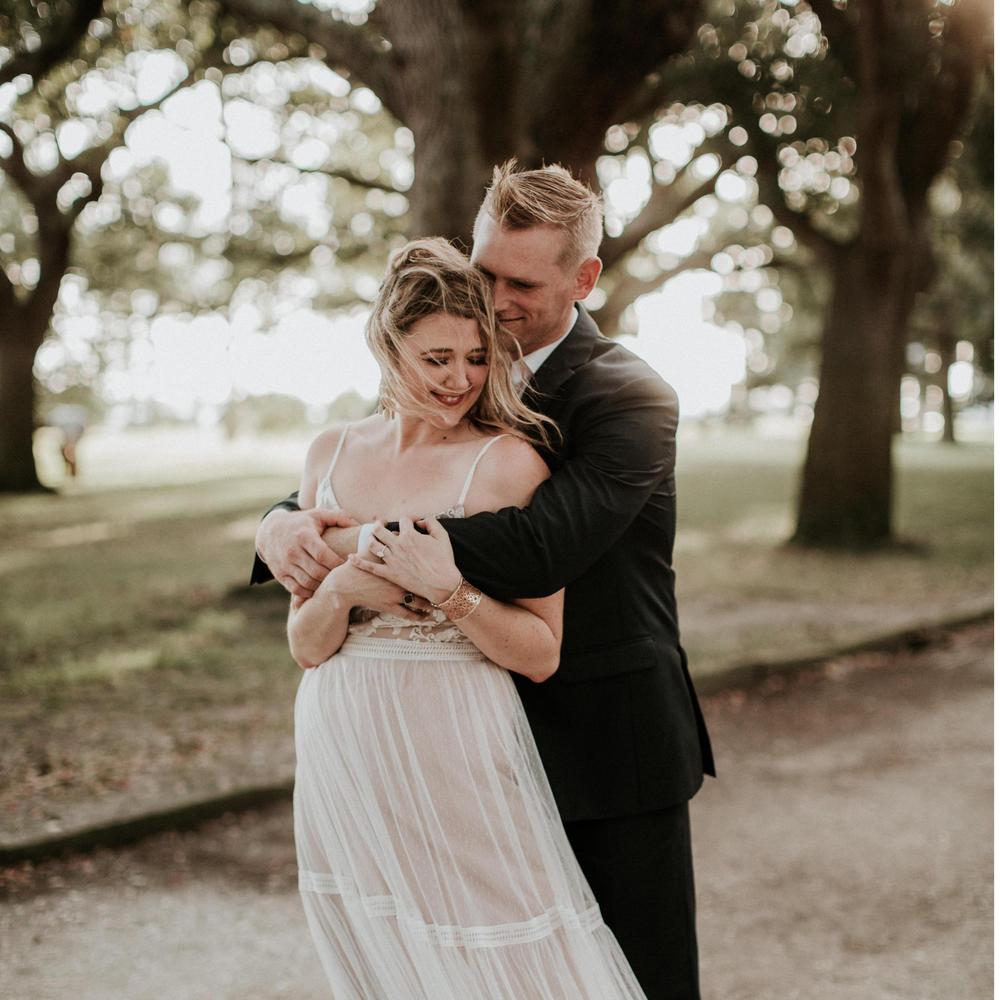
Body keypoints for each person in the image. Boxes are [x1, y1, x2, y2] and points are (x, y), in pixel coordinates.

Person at [255, 162, 714, 1000]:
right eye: (484, 268)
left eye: (520, 282)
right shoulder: (455, 362)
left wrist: (353, 542)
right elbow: (388, 462)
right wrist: (279, 522)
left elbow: (543, 545)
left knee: (631, 977)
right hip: (457, 748)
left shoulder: (630, 396)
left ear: (583, 279)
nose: (492, 297)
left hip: (604, 736)